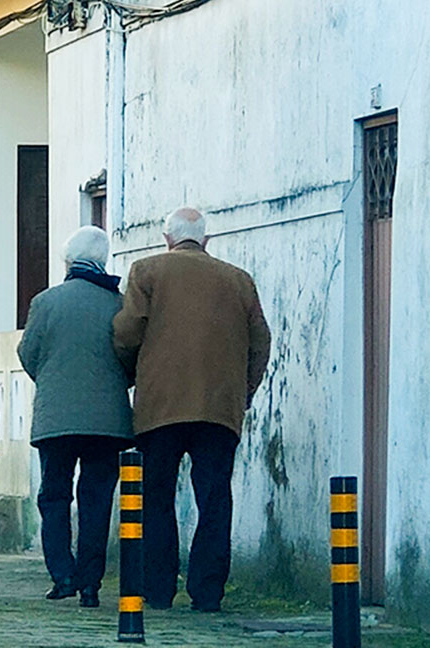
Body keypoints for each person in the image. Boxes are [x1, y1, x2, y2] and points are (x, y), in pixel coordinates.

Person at [113, 207, 271, 612]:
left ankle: (158, 589)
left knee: (157, 498)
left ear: (167, 239)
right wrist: (243, 393)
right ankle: (207, 592)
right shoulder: (239, 280)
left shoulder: (146, 272)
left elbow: (127, 333)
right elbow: (260, 342)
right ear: (205, 240)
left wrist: (133, 375)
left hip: (159, 408)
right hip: (219, 410)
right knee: (215, 499)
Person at [17, 226, 134, 609]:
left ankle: (62, 574)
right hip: (108, 424)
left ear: (67, 262)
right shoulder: (119, 305)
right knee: (96, 500)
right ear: (103, 262)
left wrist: (54, 383)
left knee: (54, 496)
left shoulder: (45, 302)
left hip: (56, 421)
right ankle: (90, 584)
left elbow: (28, 354)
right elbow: (131, 357)